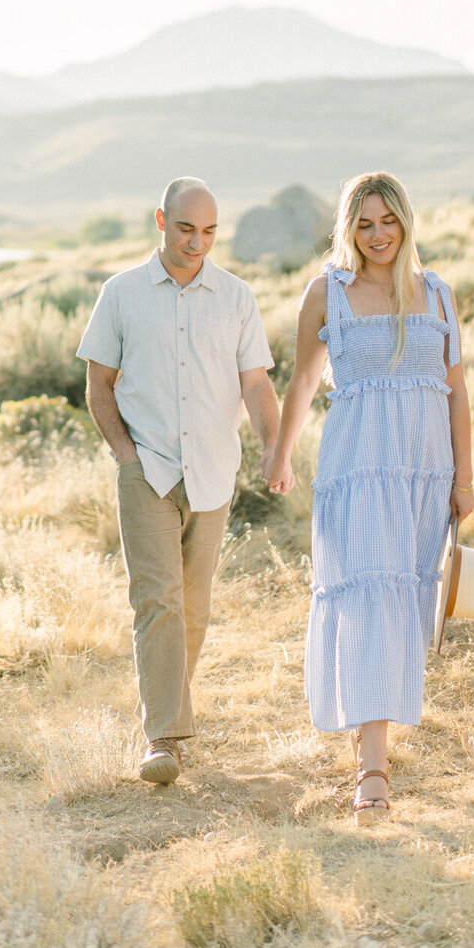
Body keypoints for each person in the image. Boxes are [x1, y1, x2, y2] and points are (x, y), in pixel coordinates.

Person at [262, 170, 474, 822]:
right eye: (364, 223)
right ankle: (373, 769)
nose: (378, 235)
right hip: (356, 470)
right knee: (367, 599)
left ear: (406, 222)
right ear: (347, 229)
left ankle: (370, 730)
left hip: (422, 472)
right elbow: (301, 382)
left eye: (387, 221)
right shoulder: (328, 293)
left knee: (403, 604)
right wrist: (279, 452)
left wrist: (465, 478)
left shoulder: (436, 294)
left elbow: (457, 392)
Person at [78, 176, 280, 785]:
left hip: (214, 473)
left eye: (210, 232)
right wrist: (125, 457)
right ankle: (163, 738)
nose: (198, 243)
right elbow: (98, 385)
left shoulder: (237, 297)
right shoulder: (121, 294)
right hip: (149, 470)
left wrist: (275, 447)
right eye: (187, 229)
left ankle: (168, 717)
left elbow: (256, 385)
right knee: (158, 601)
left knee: (193, 609)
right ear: (161, 221)